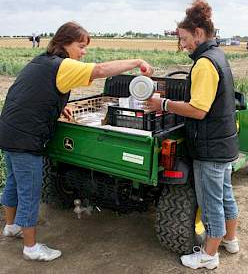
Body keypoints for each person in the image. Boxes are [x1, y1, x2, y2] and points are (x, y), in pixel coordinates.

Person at [0, 21, 153, 262]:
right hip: (26, 138)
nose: (84, 52)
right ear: (65, 44)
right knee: (29, 190)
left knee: (13, 183)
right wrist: (136, 62)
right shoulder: (64, 65)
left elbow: (36, 94)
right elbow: (101, 70)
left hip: (8, 132)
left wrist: (59, 109)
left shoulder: (41, 61)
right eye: (81, 46)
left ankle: (11, 226)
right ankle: (30, 247)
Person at [148, 0, 239, 270]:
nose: (182, 44)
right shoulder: (218, 55)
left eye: (184, 38)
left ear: (198, 33)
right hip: (223, 144)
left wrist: (162, 104)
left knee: (211, 203)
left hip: (210, 149)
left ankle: (209, 256)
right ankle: (230, 240)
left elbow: (198, 110)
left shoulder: (204, 63)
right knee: (225, 196)